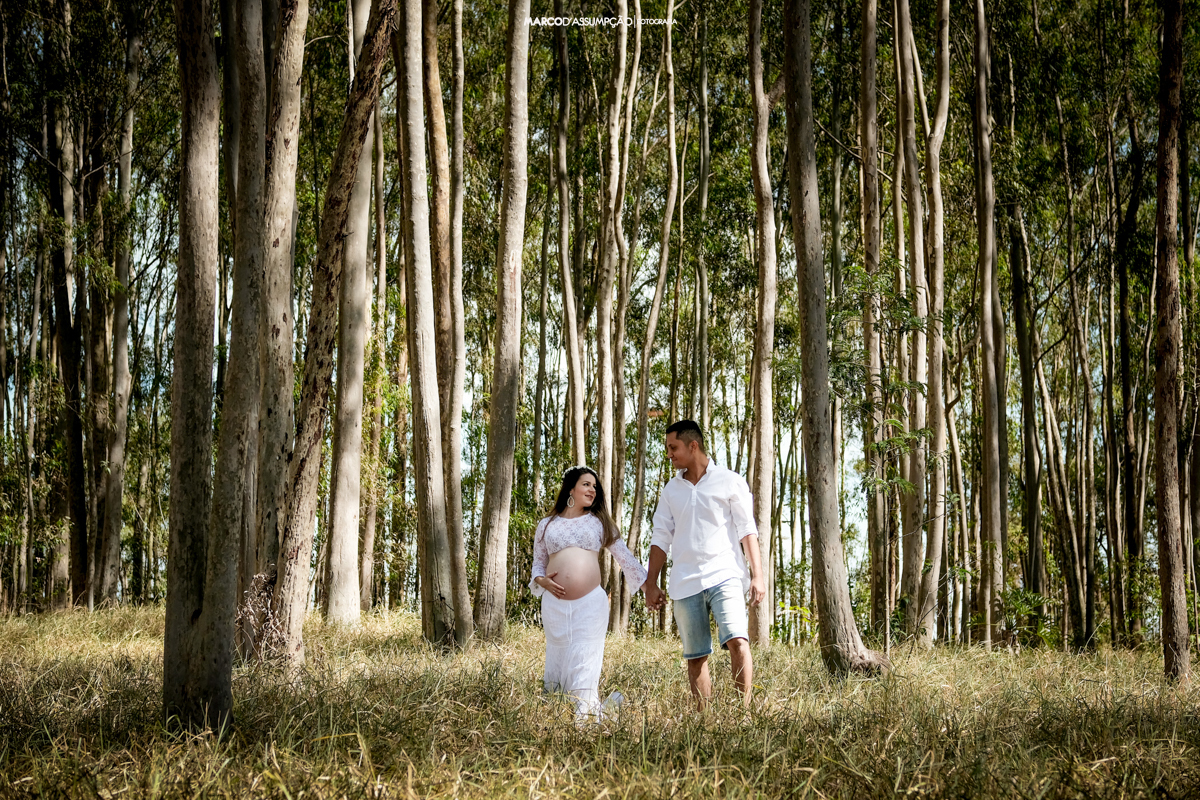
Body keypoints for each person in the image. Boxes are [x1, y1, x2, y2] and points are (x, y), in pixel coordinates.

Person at [643, 420, 766, 708]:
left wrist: (757, 576)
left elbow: (747, 530)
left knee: (738, 641)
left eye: (673, 448)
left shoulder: (729, 480)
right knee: (696, 655)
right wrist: (651, 583)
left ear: (692, 445)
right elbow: (660, 537)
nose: (669, 454)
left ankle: (742, 715)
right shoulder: (671, 490)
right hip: (685, 581)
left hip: (725, 574)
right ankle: (705, 720)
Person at [530, 466, 652, 722]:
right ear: (571, 488)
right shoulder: (546, 525)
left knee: (585, 657)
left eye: (595, 487)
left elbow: (624, 557)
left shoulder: (598, 522)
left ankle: (584, 719)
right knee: (559, 656)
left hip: (590, 606)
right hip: (554, 606)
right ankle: (557, 716)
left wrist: (647, 586)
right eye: (586, 484)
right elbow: (538, 565)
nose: (592, 490)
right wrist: (541, 580)